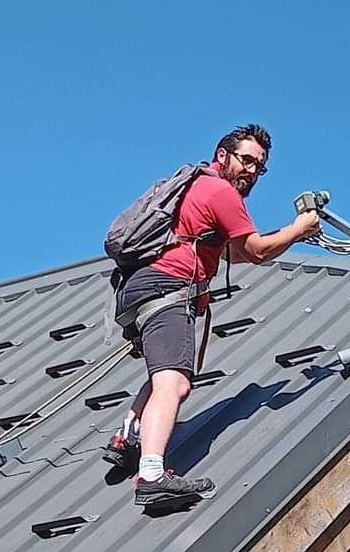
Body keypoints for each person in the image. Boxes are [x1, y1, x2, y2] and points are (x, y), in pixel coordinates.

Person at [104, 124, 320, 506]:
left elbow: (233, 252)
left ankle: (129, 435)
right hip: (168, 289)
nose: (252, 171)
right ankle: (152, 474)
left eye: (260, 166)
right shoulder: (221, 191)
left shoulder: (197, 185)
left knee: (161, 376)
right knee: (176, 384)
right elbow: (254, 251)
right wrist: (297, 230)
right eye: (247, 160)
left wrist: (284, 238)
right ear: (223, 155)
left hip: (140, 289)